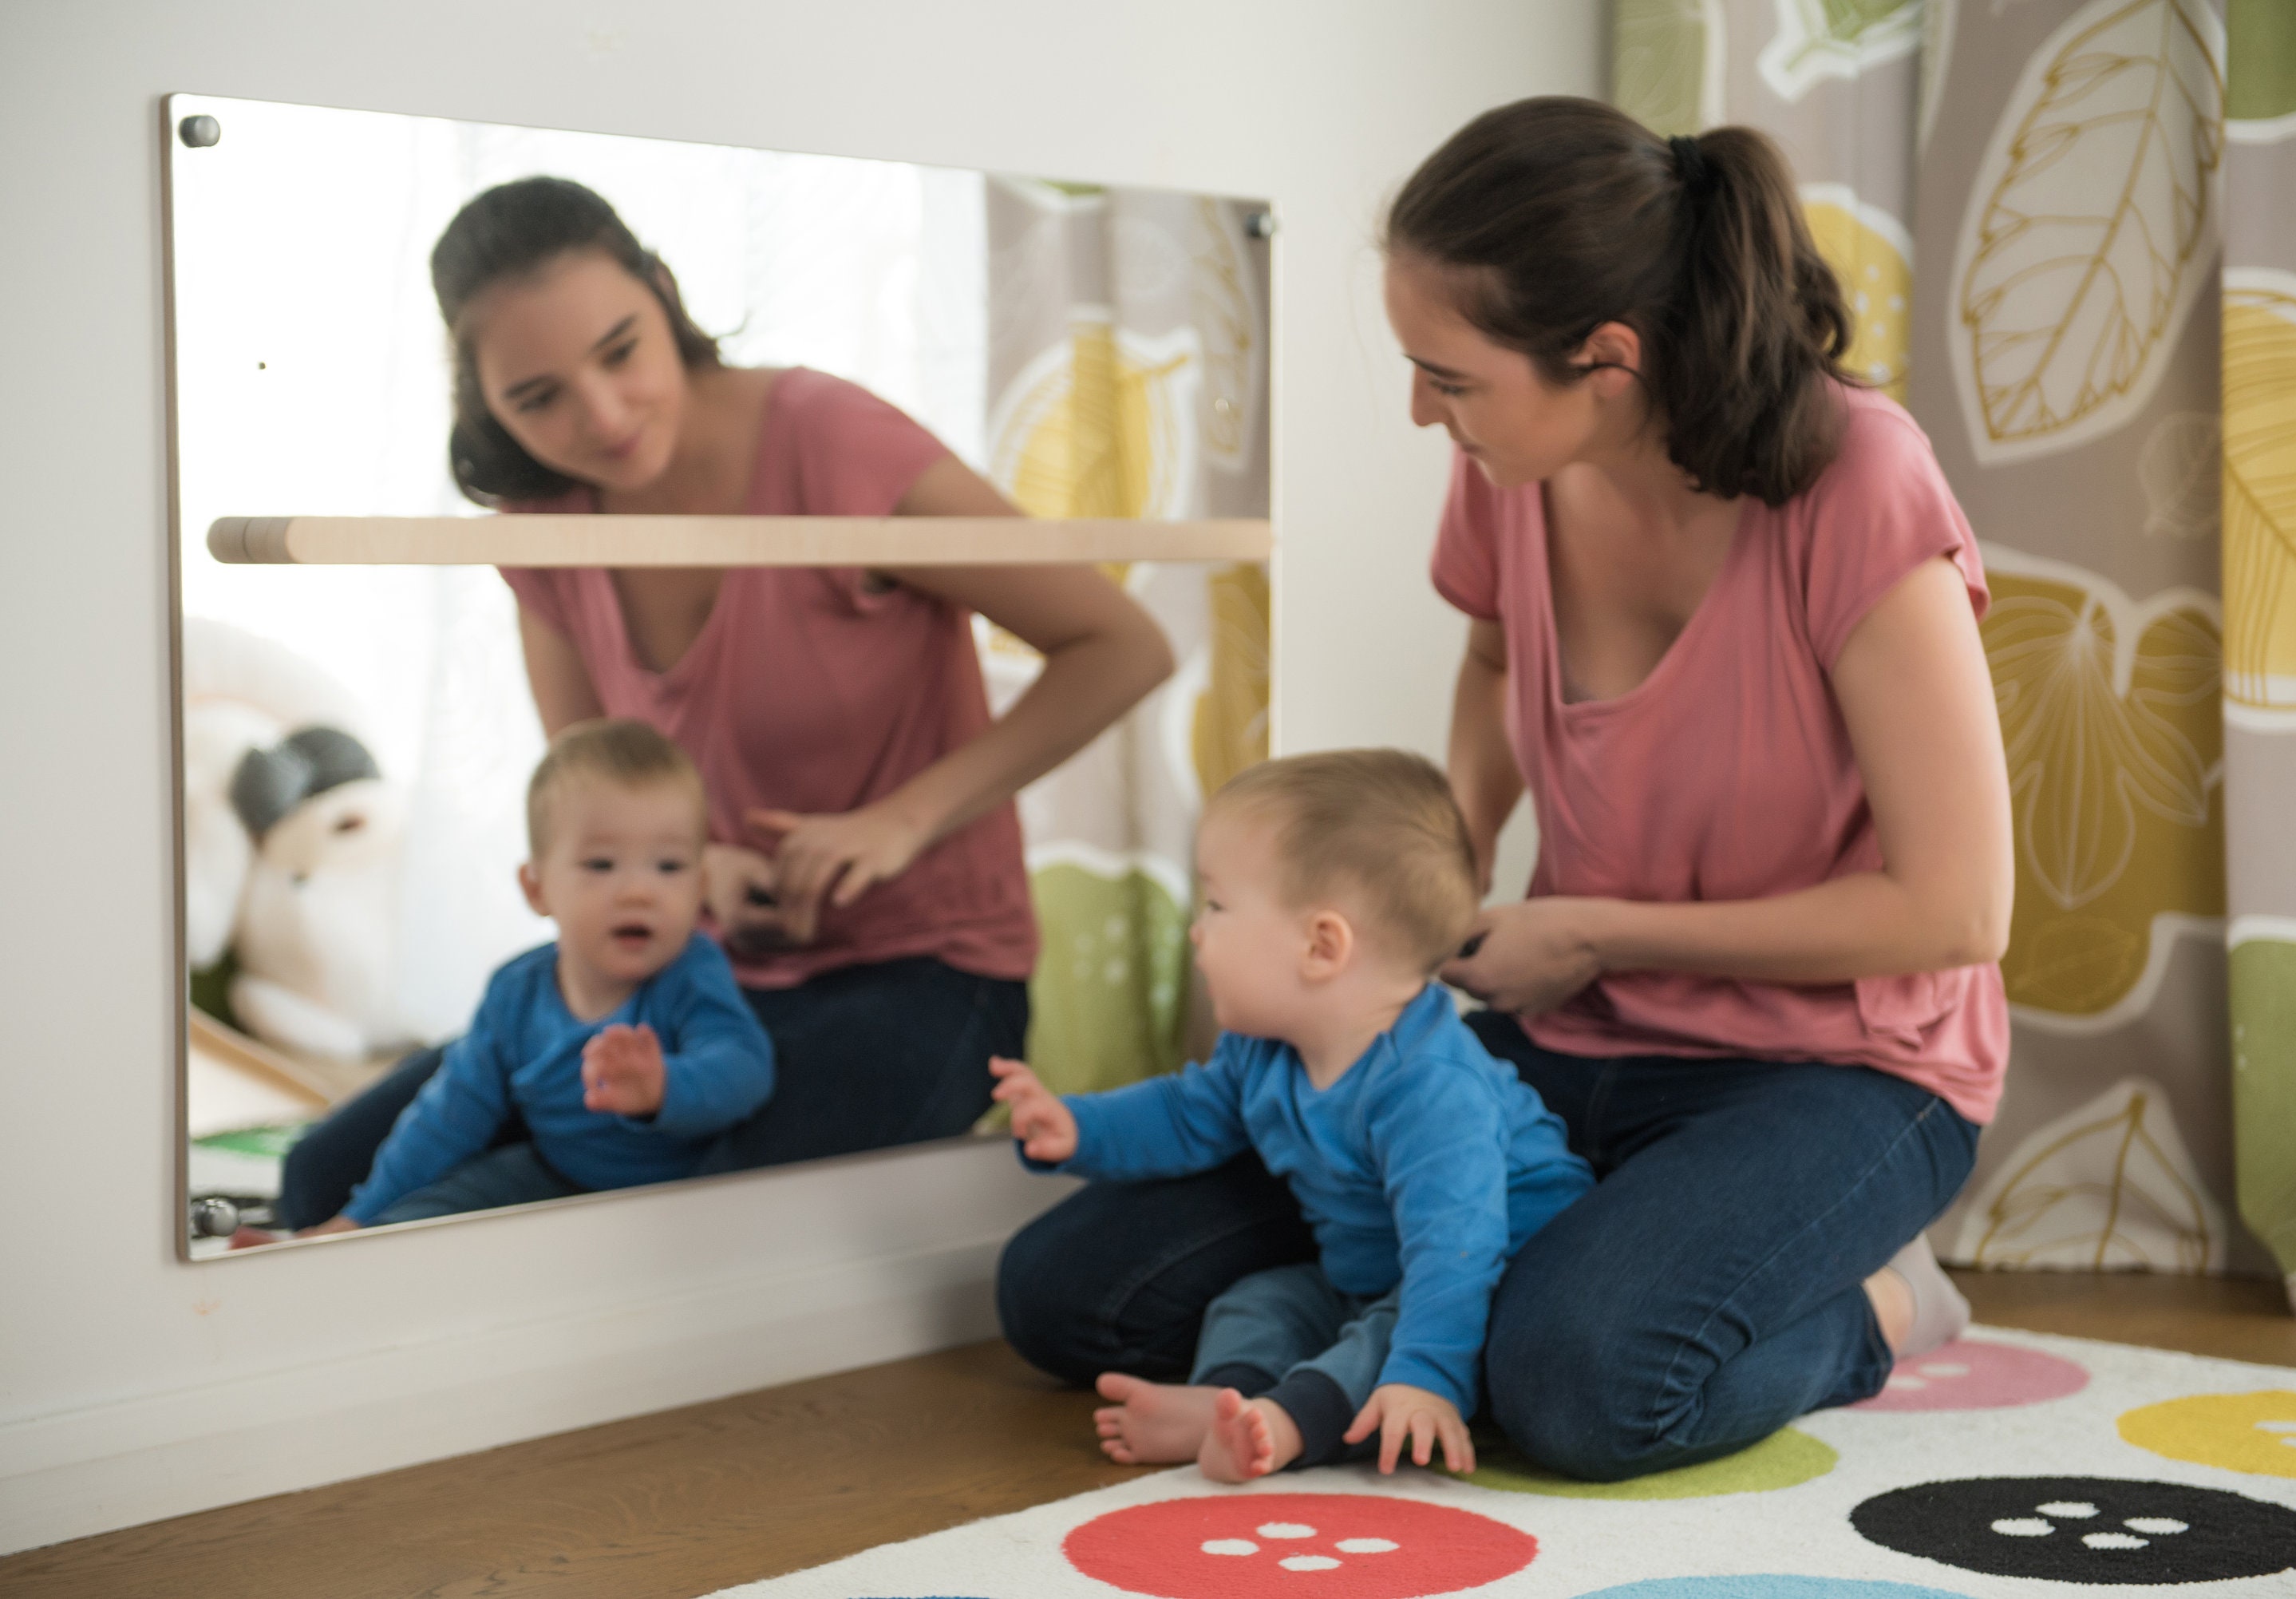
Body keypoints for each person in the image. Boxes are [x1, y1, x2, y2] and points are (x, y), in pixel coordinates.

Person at [996, 98, 2010, 1482]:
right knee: (1074, 1291)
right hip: (1571, 1031)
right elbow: (1491, 659)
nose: (1423, 409)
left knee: (1576, 1383)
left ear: (1607, 359)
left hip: (1837, 1068)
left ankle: (1881, 1301)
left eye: (1451, 376)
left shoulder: (1859, 482)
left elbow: (1956, 909)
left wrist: (1594, 930)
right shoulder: (1513, 465)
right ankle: (1585, 1270)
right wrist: (1434, 899)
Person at [275, 177, 1174, 1227]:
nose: (602, 416)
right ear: (485, 403)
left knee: (645, 1194)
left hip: (923, 971)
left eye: (620, 351)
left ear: (665, 293)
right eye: (538, 397)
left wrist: (902, 821)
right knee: (323, 1175)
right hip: (687, 969)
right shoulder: (543, 520)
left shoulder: (831, 439)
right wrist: (706, 870)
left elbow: (1120, 645)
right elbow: (594, 781)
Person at [991, 750, 1591, 1482]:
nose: (1196, 931)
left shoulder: (1431, 1087)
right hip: (1366, 1271)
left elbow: (1455, 1248)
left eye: (1217, 905)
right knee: (1260, 1300)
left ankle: (1292, 1422)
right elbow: (1187, 1114)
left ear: (1321, 945)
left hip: (1489, 1272)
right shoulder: (1264, 1050)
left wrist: (1427, 1377)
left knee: (1388, 1339)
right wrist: (1078, 1127)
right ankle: (1227, 1402)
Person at [288, 721, 772, 1235]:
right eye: (602, 864)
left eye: (668, 867)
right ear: (537, 888)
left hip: (674, 1201)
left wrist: (663, 1086)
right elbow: (449, 1116)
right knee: (417, 1224)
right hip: (553, 1173)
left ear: (701, 887)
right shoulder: (516, 993)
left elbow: (744, 1068)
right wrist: (358, 1218)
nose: (639, 892)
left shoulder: (691, 973)